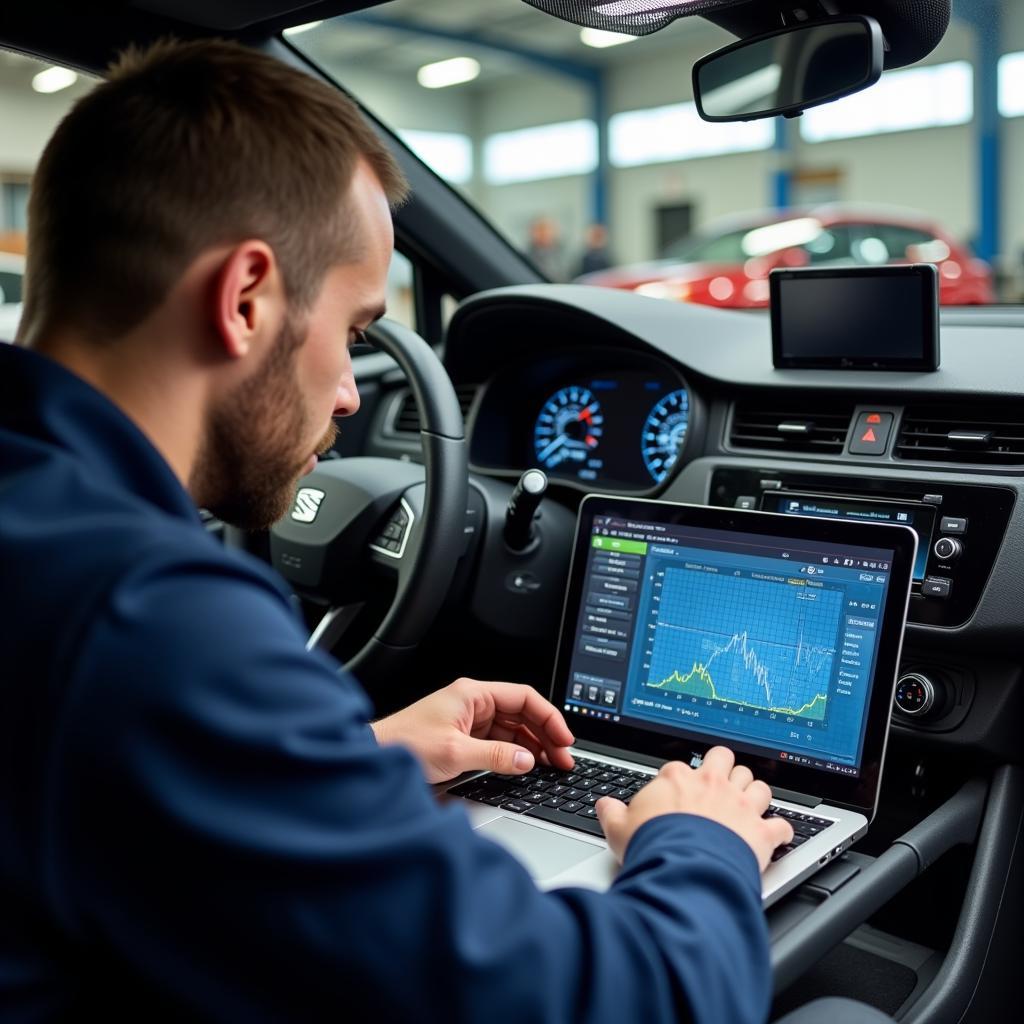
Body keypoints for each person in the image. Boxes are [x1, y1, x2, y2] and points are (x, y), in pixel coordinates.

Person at [0, 37, 891, 1024]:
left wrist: (347, 758)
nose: (348, 394)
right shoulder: (144, 619)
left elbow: (120, 792)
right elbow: (613, 1002)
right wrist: (702, 837)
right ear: (244, 296)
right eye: (352, 329)